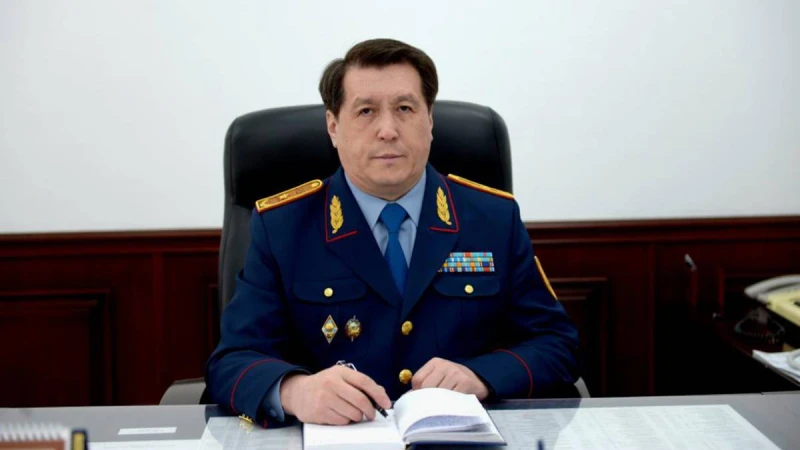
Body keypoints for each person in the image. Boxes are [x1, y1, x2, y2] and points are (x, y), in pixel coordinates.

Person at [206, 38, 579, 427]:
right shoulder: (283, 227)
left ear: (429, 120)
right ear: (333, 127)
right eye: (366, 111)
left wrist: (482, 376)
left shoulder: (493, 218)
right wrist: (294, 390)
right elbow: (232, 361)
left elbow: (557, 345)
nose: (388, 130)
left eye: (405, 108)